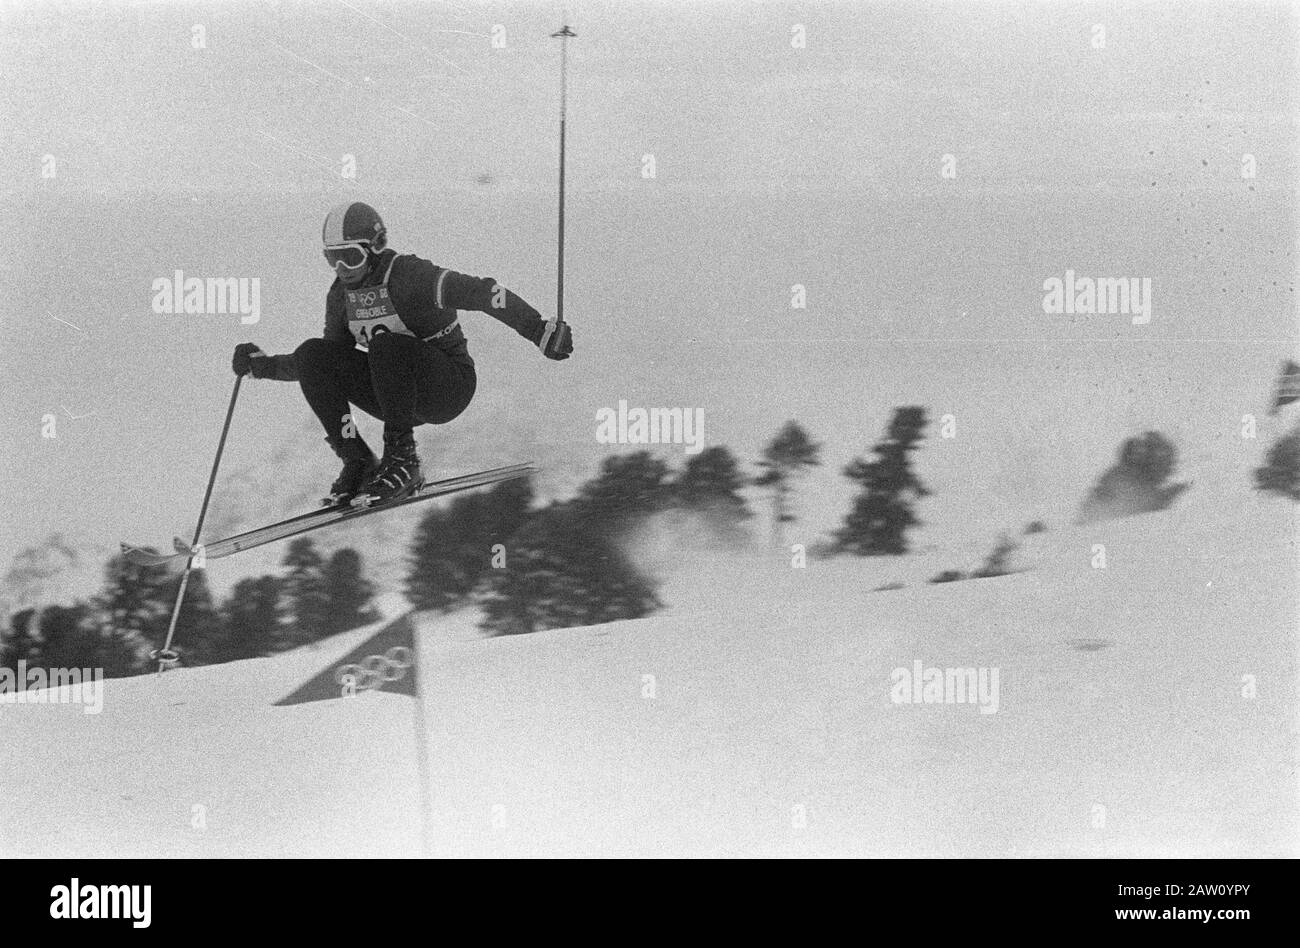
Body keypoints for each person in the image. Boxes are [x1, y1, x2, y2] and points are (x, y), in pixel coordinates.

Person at [232, 201, 572, 507]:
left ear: (375, 248)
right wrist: (263, 367)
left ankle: (403, 459)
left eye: (350, 257)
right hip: (396, 398)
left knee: (386, 344)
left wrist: (538, 329)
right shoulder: (341, 297)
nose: (342, 269)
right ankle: (359, 462)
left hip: (447, 388)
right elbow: (323, 367)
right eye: (331, 258)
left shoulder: (409, 276)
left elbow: (484, 293)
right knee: (313, 354)